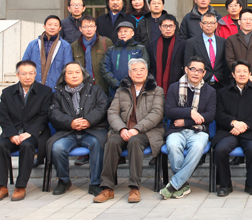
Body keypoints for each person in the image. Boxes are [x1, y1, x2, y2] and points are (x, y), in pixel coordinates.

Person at [94, 58, 165, 204]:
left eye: (142, 69)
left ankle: (134, 187)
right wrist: (122, 129)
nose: (138, 73)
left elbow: (157, 114)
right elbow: (112, 112)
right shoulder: (121, 91)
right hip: (124, 130)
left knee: (134, 141)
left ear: (147, 72)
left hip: (147, 132)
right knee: (112, 142)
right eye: (135, 70)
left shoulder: (157, 90)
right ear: (129, 73)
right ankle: (107, 188)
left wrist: (137, 129)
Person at [0, 60, 53, 202]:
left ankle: (20, 186)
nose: (27, 77)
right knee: (0, 146)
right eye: (23, 74)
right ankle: (1, 187)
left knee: (27, 145)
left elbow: (44, 116)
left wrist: (29, 133)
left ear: (35, 74)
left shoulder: (45, 92)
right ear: (17, 75)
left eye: (31, 73)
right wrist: (12, 134)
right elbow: (3, 117)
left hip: (35, 133)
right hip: (13, 132)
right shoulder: (7, 93)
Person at [46, 62, 109, 196]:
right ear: (64, 76)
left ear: (83, 74)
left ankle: (95, 183)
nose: (74, 76)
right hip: (68, 132)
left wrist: (88, 121)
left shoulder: (95, 90)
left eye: (77, 72)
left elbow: (102, 107)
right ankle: (63, 180)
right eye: (70, 73)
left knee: (98, 144)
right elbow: (54, 113)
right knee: (57, 148)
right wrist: (71, 123)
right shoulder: (57, 94)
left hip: (92, 130)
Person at [160, 56, 217, 199]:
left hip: (199, 131)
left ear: (204, 73)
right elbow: (169, 111)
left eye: (200, 70)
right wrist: (191, 112)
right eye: (193, 69)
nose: (196, 73)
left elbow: (209, 116)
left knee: (197, 147)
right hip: (176, 130)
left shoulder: (210, 91)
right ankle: (182, 184)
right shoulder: (174, 87)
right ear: (186, 70)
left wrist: (185, 122)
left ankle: (174, 185)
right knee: (173, 146)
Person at [213, 60, 252, 196]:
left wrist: (244, 125)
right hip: (228, 131)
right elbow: (219, 114)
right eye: (238, 71)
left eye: (245, 71)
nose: (242, 74)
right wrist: (233, 123)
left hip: (251, 132)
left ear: (250, 74)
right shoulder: (223, 92)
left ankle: (250, 184)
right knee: (220, 149)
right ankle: (225, 185)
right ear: (233, 74)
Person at [22, 15, 74, 91]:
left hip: (56, 88)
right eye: (49, 24)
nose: (52, 27)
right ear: (44, 26)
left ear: (60, 28)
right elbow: (24, 65)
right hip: (34, 87)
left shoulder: (65, 46)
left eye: (55, 25)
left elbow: (68, 68)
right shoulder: (33, 44)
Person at [101, 21, 149, 97]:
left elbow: (144, 68)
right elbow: (105, 68)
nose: (122, 33)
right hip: (115, 90)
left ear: (132, 33)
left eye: (125, 31)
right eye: (120, 31)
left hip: (135, 90)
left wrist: (132, 84)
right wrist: (116, 83)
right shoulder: (111, 50)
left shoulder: (140, 49)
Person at [225, 8, 252, 87]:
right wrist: (241, 75)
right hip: (237, 81)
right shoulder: (231, 39)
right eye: (245, 19)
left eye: (250, 19)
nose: (248, 22)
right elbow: (230, 60)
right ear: (239, 22)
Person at [184, 12, 226, 91]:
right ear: (200, 25)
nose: (209, 25)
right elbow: (188, 63)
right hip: (201, 83)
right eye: (205, 23)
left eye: (212, 23)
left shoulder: (223, 42)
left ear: (216, 25)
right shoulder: (191, 42)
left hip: (221, 84)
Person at [148, 14, 187, 95]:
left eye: (171, 26)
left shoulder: (183, 44)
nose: (168, 29)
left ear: (175, 27)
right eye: (165, 26)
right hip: (155, 85)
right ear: (160, 27)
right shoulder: (152, 45)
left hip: (176, 84)